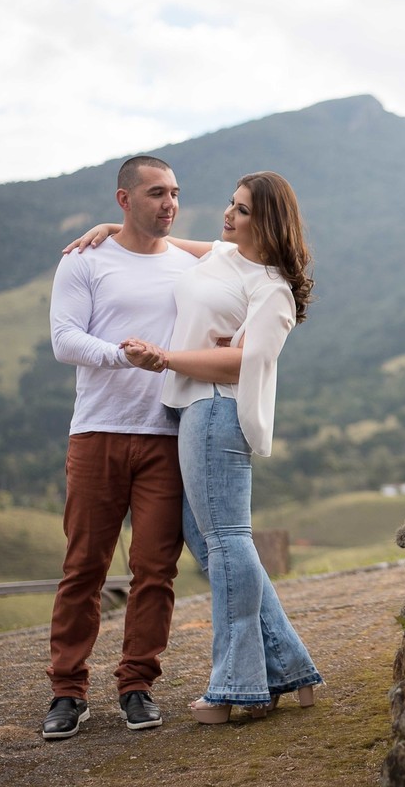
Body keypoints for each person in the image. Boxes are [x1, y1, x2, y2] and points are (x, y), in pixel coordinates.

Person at [68, 170, 324, 724]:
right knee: (210, 545)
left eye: (242, 210)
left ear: (268, 223)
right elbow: (163, 243)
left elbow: (242, 362)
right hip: (190, 410)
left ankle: (236, 685)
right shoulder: (223, 255)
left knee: (227, 542)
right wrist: (114, 227)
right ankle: (288, 667)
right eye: (231, 203)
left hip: (215, 410)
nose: (228, 214)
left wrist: (167, 358)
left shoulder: (272, 289)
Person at [44, 155, 198, 740]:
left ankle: (137, 686)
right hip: (97, 433)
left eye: (174, 192)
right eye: (156, 193)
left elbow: (243, 254)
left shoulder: (189, 265)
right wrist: (121, 355)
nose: (169, 203)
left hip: (167, 434)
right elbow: (64, 340)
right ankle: (67, 691)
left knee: (155, 570)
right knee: (83, 567)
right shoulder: (84, 260)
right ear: (124, 199)